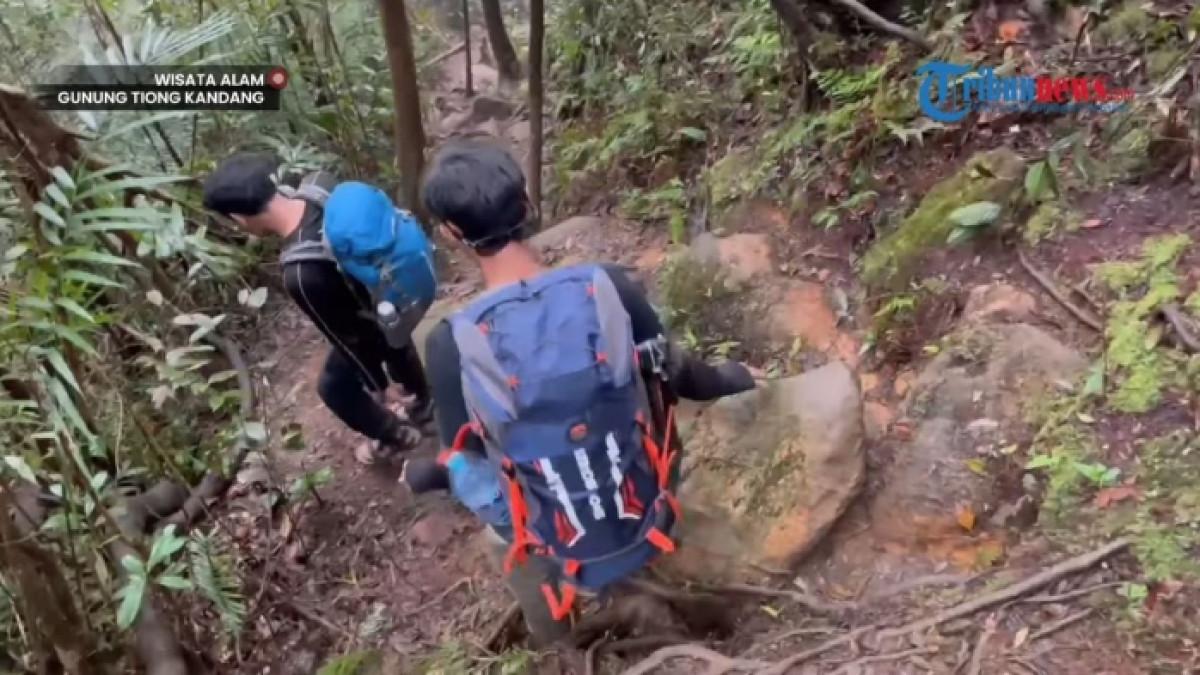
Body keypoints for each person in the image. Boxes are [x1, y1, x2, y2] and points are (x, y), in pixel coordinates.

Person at [415, 138, 755, 644]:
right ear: (526, 204)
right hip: (650, 504)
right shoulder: (607, 287)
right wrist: (733, 380)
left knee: (485, 506)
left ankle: (557, 635)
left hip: (553, 537)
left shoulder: (451, 344)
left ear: (452, 233)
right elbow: (678, 375)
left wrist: (429, 474)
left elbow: (465, 461)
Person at [202, 154, 434, 463]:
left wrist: (378, 385)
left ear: (239, 217)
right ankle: (424, 406)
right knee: (395, 336)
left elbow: (348, 339)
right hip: (390, 291)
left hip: (367, 318)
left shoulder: (300, 273)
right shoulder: (319, 185)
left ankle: (396, 433)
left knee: (333, 387)